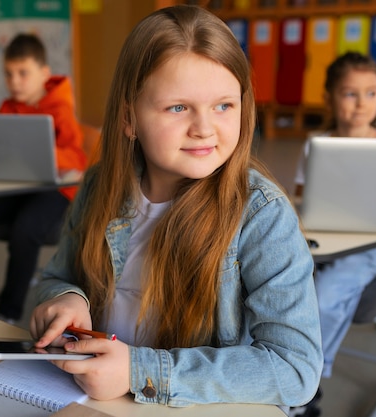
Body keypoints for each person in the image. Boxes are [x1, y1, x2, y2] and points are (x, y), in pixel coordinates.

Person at [29, 5, 322, 410]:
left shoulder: (261, 215)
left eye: (224, 105)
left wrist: (138, 371)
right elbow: (56, 276)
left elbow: (296, 369)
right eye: (178, 107)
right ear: (129, 117)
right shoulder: (100, 186)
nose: (204, 127)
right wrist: (67, 298)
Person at [0, 33, 87, 321]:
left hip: (56, 192)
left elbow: (76, 159)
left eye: (23, 73)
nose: (15, 81)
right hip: (14, 189)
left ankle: (8, 312)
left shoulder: (60, 108)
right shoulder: (7, 107)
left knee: (24, 230)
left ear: (44, 73)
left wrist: (41, 152)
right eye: (9, 74)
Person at [292, 51, 376, 417]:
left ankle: (307, 381)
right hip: (319, 240)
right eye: (350, 93)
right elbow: (302, 198)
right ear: (330, 97)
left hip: (369, 247)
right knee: (278, 290)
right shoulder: (316, 144)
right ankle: (282, 366)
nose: (362, 103)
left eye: (371, 93)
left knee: (324, 298)